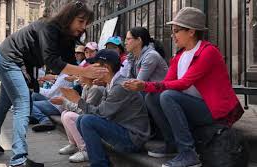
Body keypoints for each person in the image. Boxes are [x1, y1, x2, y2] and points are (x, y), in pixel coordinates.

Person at [0, 2, 107, 167]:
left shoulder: (68, 38)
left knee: (6, 100)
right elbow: (53, 62)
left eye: (86, 23)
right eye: (80, 21)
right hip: (9, 57)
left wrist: (93, 76)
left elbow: (67, 67)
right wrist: (84, 72)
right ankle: (18, 160)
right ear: (69, 18)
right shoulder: (49, 27)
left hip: (23, 62)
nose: (83, 27)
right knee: (23, 103)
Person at [123, 7, 244, 167]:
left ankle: (188, 153)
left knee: (168, 96)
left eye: (176, 31)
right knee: (153, 97)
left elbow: (184, 83)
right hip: (192, 106)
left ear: (191, 31)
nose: (173, 35)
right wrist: (144, 87)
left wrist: (144, 85)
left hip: (213, 111)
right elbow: (166, 83)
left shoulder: (208, 52)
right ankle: (171, 142)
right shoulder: (179, 56)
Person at [61, 49, 151, 167]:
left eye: (95, 66)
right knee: (82, 119)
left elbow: (100, 113)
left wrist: (78, 100)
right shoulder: (110, 84)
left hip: (133, 139)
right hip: (122, 130)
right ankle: (101, 160)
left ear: (106, 68)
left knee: (87, 120)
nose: (91, 69)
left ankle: (99, 164)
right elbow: (100, 111)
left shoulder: (120, 86)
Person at [51, 75, 104, 163]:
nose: (78, 78)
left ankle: (85, 150)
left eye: (80, 75)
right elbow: (80, 106)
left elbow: (85, 110)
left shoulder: (96, 89)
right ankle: (73, 144)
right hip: (87, 115)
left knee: (68, 116)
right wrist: (67, 101)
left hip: (94, 118)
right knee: (64, 113)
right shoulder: (86, 87)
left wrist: (64, 102)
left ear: (88, 77)